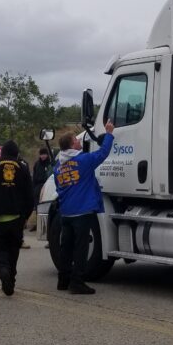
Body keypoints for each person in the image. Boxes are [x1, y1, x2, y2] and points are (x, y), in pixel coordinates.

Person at [53, 121, 114, 294]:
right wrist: (109, 134)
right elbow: (102, 154)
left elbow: (59, 187)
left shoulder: (58, 167)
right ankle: (77, 283)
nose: (80, 142)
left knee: (66, 247)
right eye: (77, 140)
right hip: (82, 211)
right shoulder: (84, 160)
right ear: (72, 144)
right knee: (81, 248)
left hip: (66, 213)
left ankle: (63, 280)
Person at [0, 140, 35, 295]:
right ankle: (11, 278)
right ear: (16, 153)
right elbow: (30, 196)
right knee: (13, 248)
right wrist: (26, 215)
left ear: (2, 153)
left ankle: (2, 269)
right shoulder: (23, 168)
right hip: (16, 217)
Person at [28, 147, 53, 232]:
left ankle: (46, 227)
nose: (43, 156)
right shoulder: (37, 164)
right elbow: (34, 178)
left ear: (47, 154)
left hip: (47, 187)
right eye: (41, 154)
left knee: (45, 208)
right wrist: (33, 189)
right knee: (37, 207)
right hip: (37, 188)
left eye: (44, 154)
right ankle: (36, 225)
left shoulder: (50, 163)